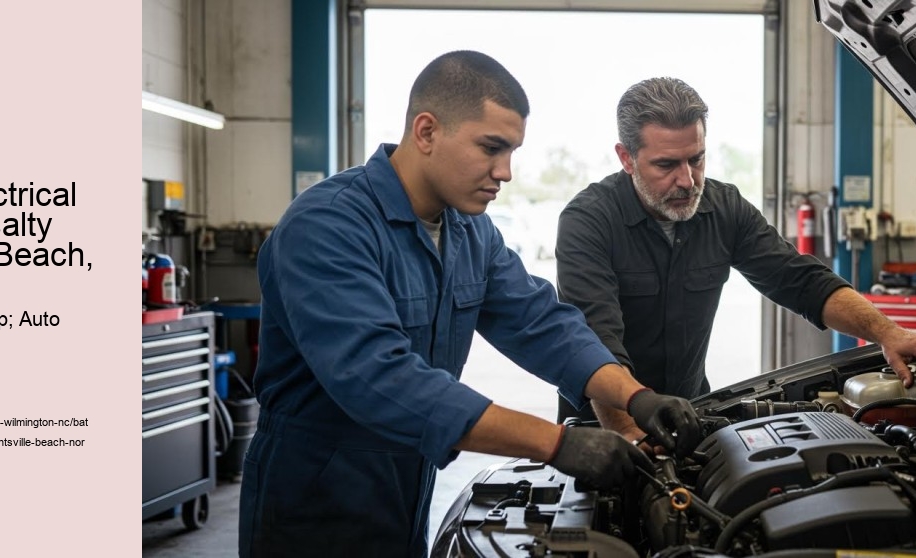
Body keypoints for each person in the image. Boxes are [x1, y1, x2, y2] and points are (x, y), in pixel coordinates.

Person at [238, 52, 698, 557]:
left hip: (406, 490)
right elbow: (379, 378)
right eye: (491, 148)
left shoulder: (469, 230)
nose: (505, 172)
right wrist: (556, 443)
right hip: (313, 506)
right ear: (428, 131)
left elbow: (540, 322)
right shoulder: (328, 226)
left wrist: (636, 397)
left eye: (512, 151)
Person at [556, 77, 916, 424]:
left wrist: (888, 332)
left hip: (688, 409)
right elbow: (596, 343)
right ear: (627, 158)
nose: (687, 180)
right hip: (601, 423)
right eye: (666, 165)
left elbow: (800, 279)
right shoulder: (588, 221)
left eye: (697, 160)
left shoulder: (725, 208)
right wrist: (629, 436)